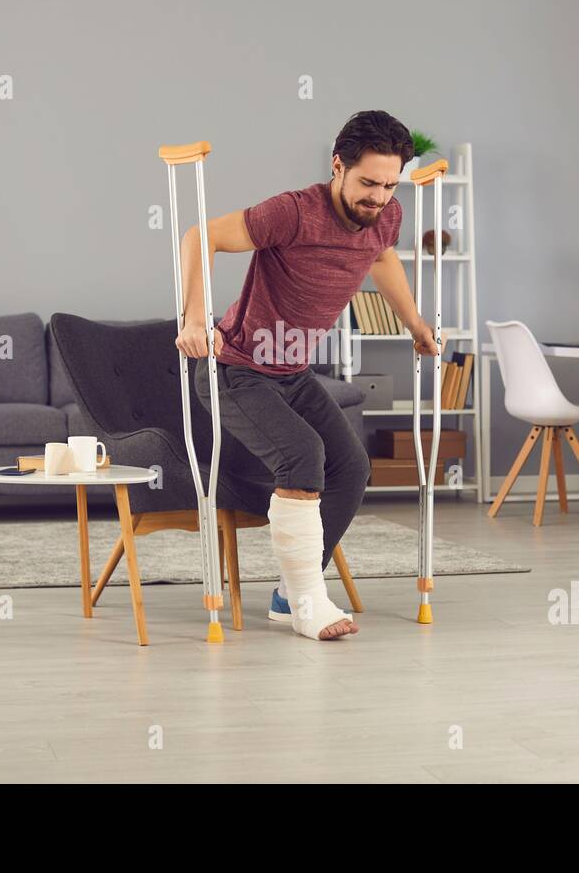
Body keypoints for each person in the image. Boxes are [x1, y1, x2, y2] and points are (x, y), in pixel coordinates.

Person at [178, 110, 439, 641]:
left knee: (351, 467)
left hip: (292, 371)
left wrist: (415, 323)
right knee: (302, 455)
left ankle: (288, 592)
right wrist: (193, 317)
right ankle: (306, 601)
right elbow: (198, 236)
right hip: (235, 369)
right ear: (337, 166)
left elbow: (382, 258)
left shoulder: (384, 215)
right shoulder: (293, 213)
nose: (378, 197)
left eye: (390, 185)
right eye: (367, 183)